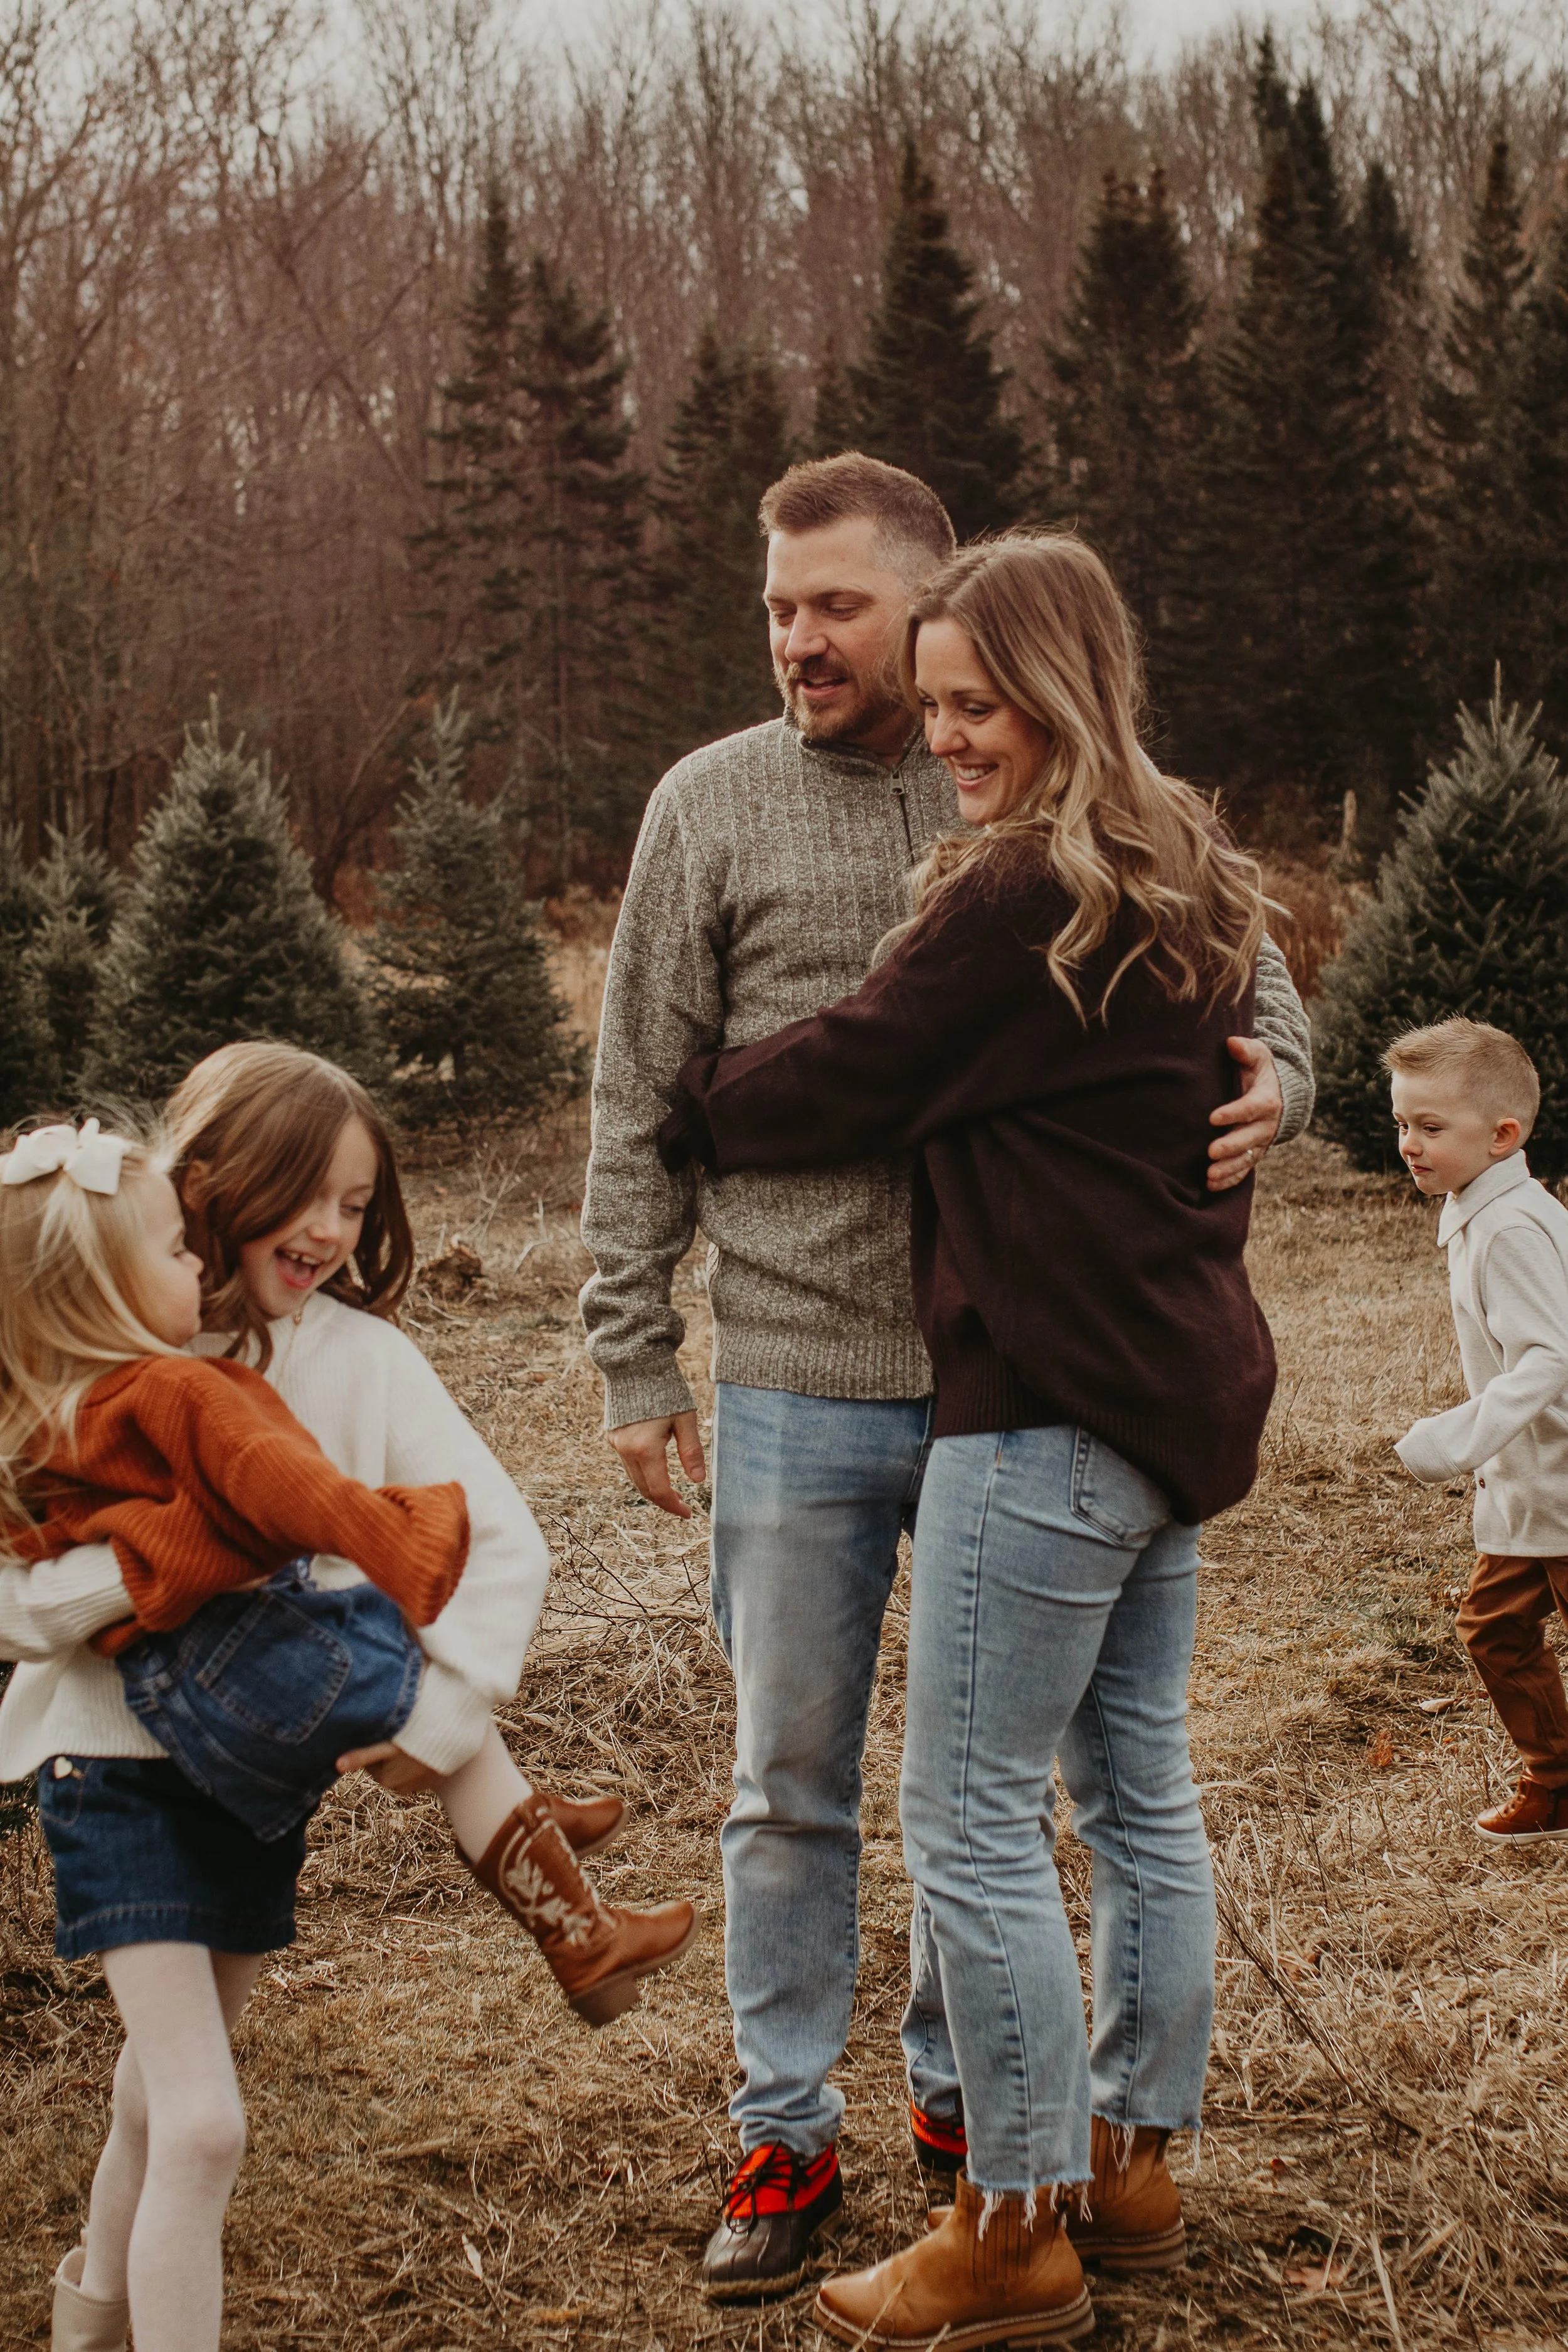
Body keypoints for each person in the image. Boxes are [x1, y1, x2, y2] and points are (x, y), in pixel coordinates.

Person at [580, 450, 1315, 2297]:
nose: (798, 639)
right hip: (806, 1373)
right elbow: (631, 1088)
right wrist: (632, 1343)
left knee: (980, 1797)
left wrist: (1283, 1083)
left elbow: (1257, 988)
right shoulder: (712, 804)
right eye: (776, 606)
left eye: (835, 606)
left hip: (1010, 1371)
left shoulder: (1018, 799)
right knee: (794, 1775)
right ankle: (783, 2121)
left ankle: (968, 2126)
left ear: (929, 616)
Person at [0, 1047, 691, 2352]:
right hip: (118, 1773)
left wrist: (434, 1727)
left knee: (158, 2101)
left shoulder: (361, 1361)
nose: (329, 1229)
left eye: (357, 1203)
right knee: (200, 2120)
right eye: (301, 1194)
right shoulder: (98, 1336)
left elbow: (497, 1540)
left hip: (257, 1786)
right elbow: (15, 1590)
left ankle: (85, 2323)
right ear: (210, 1187)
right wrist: (128, 1581)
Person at [1390, 1017, 1568, 1843]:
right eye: (1402, 1124)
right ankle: (1558, 1778)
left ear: (1504, 1134)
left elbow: (1547, 1358)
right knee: (1495, 1628)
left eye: (1431, 1127)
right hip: (1529, 1487)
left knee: (1498, 1628)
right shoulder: (1478, 1207)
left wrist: (1455, 1438)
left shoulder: (1510, 1228)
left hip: (1560, 1477)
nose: (1410, 1144)